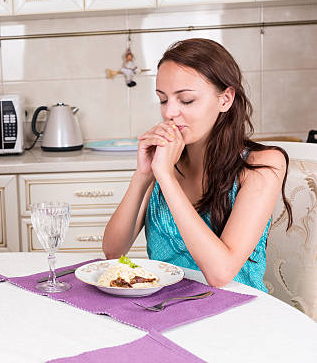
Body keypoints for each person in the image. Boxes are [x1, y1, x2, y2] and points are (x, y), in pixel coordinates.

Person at [102, 38, 291, 292]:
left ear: (225, 100)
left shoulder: (264, 164)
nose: (169, 112)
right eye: (163, 99)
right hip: (164, 308)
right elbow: (113, 252)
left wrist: (166, 178)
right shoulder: (163, 160)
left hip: (237, 315)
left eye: (186, 100)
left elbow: (220, 273)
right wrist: (143, 175)